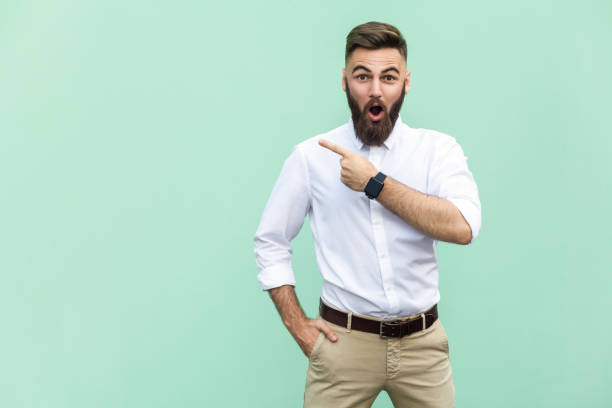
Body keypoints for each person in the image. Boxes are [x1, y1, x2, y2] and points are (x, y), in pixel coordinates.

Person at [253, 21, 481, 408]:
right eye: (363, 76)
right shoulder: (310, 157)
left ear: (405, 83)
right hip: (344, 346)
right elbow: (270, 241)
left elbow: (463, 227)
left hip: (423, 347)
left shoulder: (438, 151)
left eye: (388, 77)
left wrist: (374, 184)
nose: (376, 89)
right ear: (344, 81)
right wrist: (298, 325)